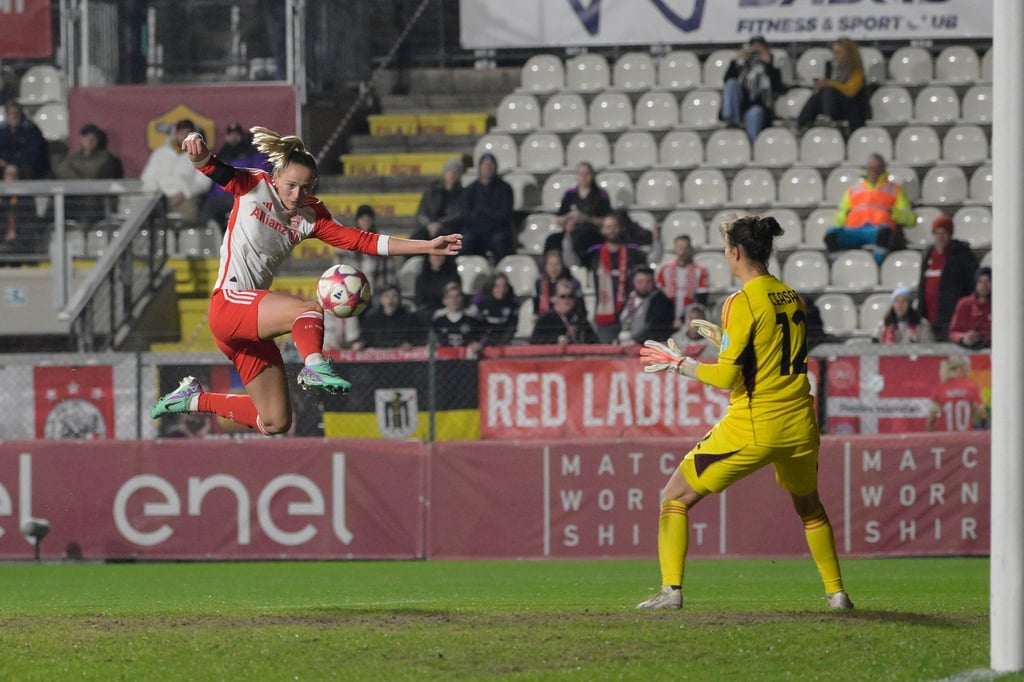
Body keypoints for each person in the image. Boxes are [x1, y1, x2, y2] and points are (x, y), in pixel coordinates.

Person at [149, 125, 462, 435]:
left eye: (306, 188)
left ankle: (194, 399)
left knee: (274, 421)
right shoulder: (254, 185)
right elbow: (212, 168)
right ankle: (314, 365)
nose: (297, 194)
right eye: (291, 185)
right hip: (229, 303)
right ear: (275, 177)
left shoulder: (311, 215)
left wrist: (425, 246)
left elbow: (362, 240)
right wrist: (198, 152)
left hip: (248, 325)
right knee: (309, 309)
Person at [637, 214, 852, 611]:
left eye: (725, 249)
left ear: (735, 253)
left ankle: (671, 591)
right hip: (801, 424)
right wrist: (726, 339)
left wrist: (679, 363)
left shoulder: (741, 301)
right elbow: (771, 355)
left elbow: (726, 377)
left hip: (756, 423)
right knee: (809, 507)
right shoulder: (790, 296)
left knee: (674, 496)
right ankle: (836, 593)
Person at [825, 154, 914, 264]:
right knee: (831, 235)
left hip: (877, 231)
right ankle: (839, 265)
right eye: (871, 168)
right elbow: (838, 218)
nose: (874, 171)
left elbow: (910, 218)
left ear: (883, 169)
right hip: (854, 231)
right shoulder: (853, 189)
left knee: (885, 233)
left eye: (878, 168)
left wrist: (894, 213)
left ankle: (876, 265)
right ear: (867, 169)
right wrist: (846, 215)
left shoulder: (894, 189)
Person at [582, 213, 648, 344]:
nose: (611, 230)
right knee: (606, 356)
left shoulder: (633, 252)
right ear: (602, 230)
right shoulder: (595, 253)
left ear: (620, 228)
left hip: (630, 313)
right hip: (604, 315)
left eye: (614, 226)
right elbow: (571, 259)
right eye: (608, 227)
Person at [140, 119, 213, 225]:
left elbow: (203, 183)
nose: (184, 137)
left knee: (188, 218)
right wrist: (155, 193)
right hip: (159, 197)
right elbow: (147, 177)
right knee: (143, 216)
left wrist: (184, 194)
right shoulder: (160, 153)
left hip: (184, 198)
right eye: (181, 133)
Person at [917, 214, 978, 342]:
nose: (940, 237)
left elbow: (971, 285)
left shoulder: (962, 255)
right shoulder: (928, 254)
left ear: (950, 234)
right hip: (929, 319)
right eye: (937, 233)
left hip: (952, 319)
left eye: (944, 233)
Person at [199, 122, 269, 232]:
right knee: (208, 206)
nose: (233, 138)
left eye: (236, 134)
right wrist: (211, 196)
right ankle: (209, 240)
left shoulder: (253, 154)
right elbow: (214, 182)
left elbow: (262, 176)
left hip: (246, 195)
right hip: (223, 197)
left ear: (241, 136)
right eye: (230, 135)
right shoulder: (221, 156)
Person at [719, 36, 786, 145]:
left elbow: (777, 87)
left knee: (754, 113)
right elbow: (727, 80)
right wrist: (736, 61)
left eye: (759, 47)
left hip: (759, 107)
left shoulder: (772, 68)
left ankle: (753, 147)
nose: (756, 51)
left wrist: (768, 64)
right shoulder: (741, 67)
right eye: (753, 48)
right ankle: (730, 119)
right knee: (731, 83)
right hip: (741, 104)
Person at [54, 123, 124, 225]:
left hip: (96, 201)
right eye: (87, 138)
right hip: (76, 200)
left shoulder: (105, 157)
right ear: (81, 139)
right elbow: (62, 170)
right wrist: (80, 182)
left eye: (93, 138)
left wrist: (77, 176)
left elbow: (95, 174)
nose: (90, 141)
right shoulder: (74, 155)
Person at [796, 37, 869, 134]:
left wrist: (830, 83)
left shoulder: (857, 71)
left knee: (828, 89)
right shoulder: (832, 68)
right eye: (834, 52)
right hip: (834, 105)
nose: (835, 56)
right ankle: (801, 124)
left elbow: (850, 91)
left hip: (852, 108)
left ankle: (826, 118)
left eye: (838, 52)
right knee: (818, 95)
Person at [544, 161, 611, 264]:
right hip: (572, 231)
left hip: (592, 232)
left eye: (587, 174)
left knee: (582, 241)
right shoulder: (569, 195)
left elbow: (607, 220)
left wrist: (587, 218)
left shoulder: (601, 195)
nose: (583, 177)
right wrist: (568, 218)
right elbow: (559, 219)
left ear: (592, 175)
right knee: (552, 240)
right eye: (580, 174)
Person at [458, 152, 515, 263]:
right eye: (485, 164)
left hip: (497, 230)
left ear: (495, 167)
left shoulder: (505, 189)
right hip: (475, 230)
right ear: (479, 167)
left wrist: (483, 211)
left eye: (490, 164)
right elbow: (465, 216)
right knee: (465, 241)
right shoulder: (470, 190)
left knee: (500, 241)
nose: (488, 168)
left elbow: (505, 215)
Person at [655, 234, 710, 331]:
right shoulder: (664, 269)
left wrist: (684, 318)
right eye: (680, 248)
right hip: (667, 316)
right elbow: (659, 297)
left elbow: (701, 299)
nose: (682, 252)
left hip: (690, 317)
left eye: (686, 248)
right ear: (675, 249)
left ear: (690, 249)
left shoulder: (701, 270)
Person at [351, 284, 426, 350]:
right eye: (386, 296)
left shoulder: (409, 318)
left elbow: (419, 340)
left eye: (394, 296)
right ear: (381, 299)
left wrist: (410, 345)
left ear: (399, 299)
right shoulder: (372, 319)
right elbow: (364, 339)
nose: (390, 300)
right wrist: (360, 344)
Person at [336, 204, 390, 291]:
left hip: (376, 290)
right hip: (351, 290)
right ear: (357, 220)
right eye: (362, 219)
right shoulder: (346, 241)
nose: (366, 221)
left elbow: (388, 270)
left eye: (368, 219)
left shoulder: (381, 240)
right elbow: (338, 269)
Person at [926, 354, 987, 432]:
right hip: (967, 436)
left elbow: (932, 417)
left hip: (946, 437)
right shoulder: (972, 387)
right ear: (964, 368)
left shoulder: (940, 388)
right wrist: (984, 429)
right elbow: (981, 412)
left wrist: (929, 433)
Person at [618, 265, 676, 346]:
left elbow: (658, 329)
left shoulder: (662, 301)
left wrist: (638, 341)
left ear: (654, 282)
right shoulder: (629, 297)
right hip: (624, 344)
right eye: (640, 281)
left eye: (648, 281)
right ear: (633, 282)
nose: (644, 285)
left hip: (646, 347)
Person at [529, 279, 599, 346]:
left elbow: (595, 342)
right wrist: (556, 340)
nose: (567, 300)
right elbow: (535, 342)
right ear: (555, 298)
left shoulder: (580, 319)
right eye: (563, 296)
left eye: (571, 296)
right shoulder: (545, 319)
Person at [411, 157, 464, 242]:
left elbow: (457, 215)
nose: (452, 174)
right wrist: (429, 224)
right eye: (450, 171)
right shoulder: (431, 190)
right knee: (417, 237)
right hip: (428, 227)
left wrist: (439, 224)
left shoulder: (462, 193)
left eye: (456, 172)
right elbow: (420, 213)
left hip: (448, 229)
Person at [0, 99, 50, 179]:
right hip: (7, 164)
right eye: (10, 113)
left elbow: (33, 154)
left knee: (24, 170)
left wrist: (13, 163)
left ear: (20, 114)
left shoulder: (31, 130)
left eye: (15, 113)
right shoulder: (3, 130)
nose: (13, 116)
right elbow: (3, 149)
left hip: (28, 165)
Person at [431, 282, 487, 353]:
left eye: (457, 296)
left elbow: (483, 335)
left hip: (467, 360)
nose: (454, 300)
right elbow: (432, 338)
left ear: (462, 298)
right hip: (444, 360)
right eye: (450, 297)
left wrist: (479, 344)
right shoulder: (438, 319)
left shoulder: (471, 318)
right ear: (444, 300)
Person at [467, 272, 520, 346]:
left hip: (503, 342)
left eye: (504, 286)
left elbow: (512, 326)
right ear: (491, 287)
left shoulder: (512, 302)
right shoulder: (480, 300)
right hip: (481, 342)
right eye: (497, 286)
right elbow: (472, 324)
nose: (501, 290)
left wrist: (502, 344)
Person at [0, 164, 43, 253]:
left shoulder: (26, 198)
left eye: (15, 174)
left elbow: (30, 224)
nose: (12, 177)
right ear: (3, 177)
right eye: (9, 174)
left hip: (21, 244)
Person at [947, 266, 991, 350]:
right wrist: (964, 337)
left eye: (987, 281)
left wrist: (982, 336)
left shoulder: (999, 305)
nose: (984, 286)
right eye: (980, 282)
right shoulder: (964, 304)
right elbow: (953, 332)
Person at [533, 249, 583, 320]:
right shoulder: (540, 282)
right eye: (550, 264)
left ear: (562, 265)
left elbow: (580, 307)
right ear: (545, 266)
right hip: (545, 320)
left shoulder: (573, 283)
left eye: (557, 264)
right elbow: (536, 301)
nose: (554, 268)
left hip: (567, 320)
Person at [414, 252, 462, 321]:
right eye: (434, 255)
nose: (437, 258)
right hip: (428, 312)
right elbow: (419, 300)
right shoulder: (421, 278)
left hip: (449, 310)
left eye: (440, 255)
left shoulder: (453, 276)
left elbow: (456, 296)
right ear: (429, 258)